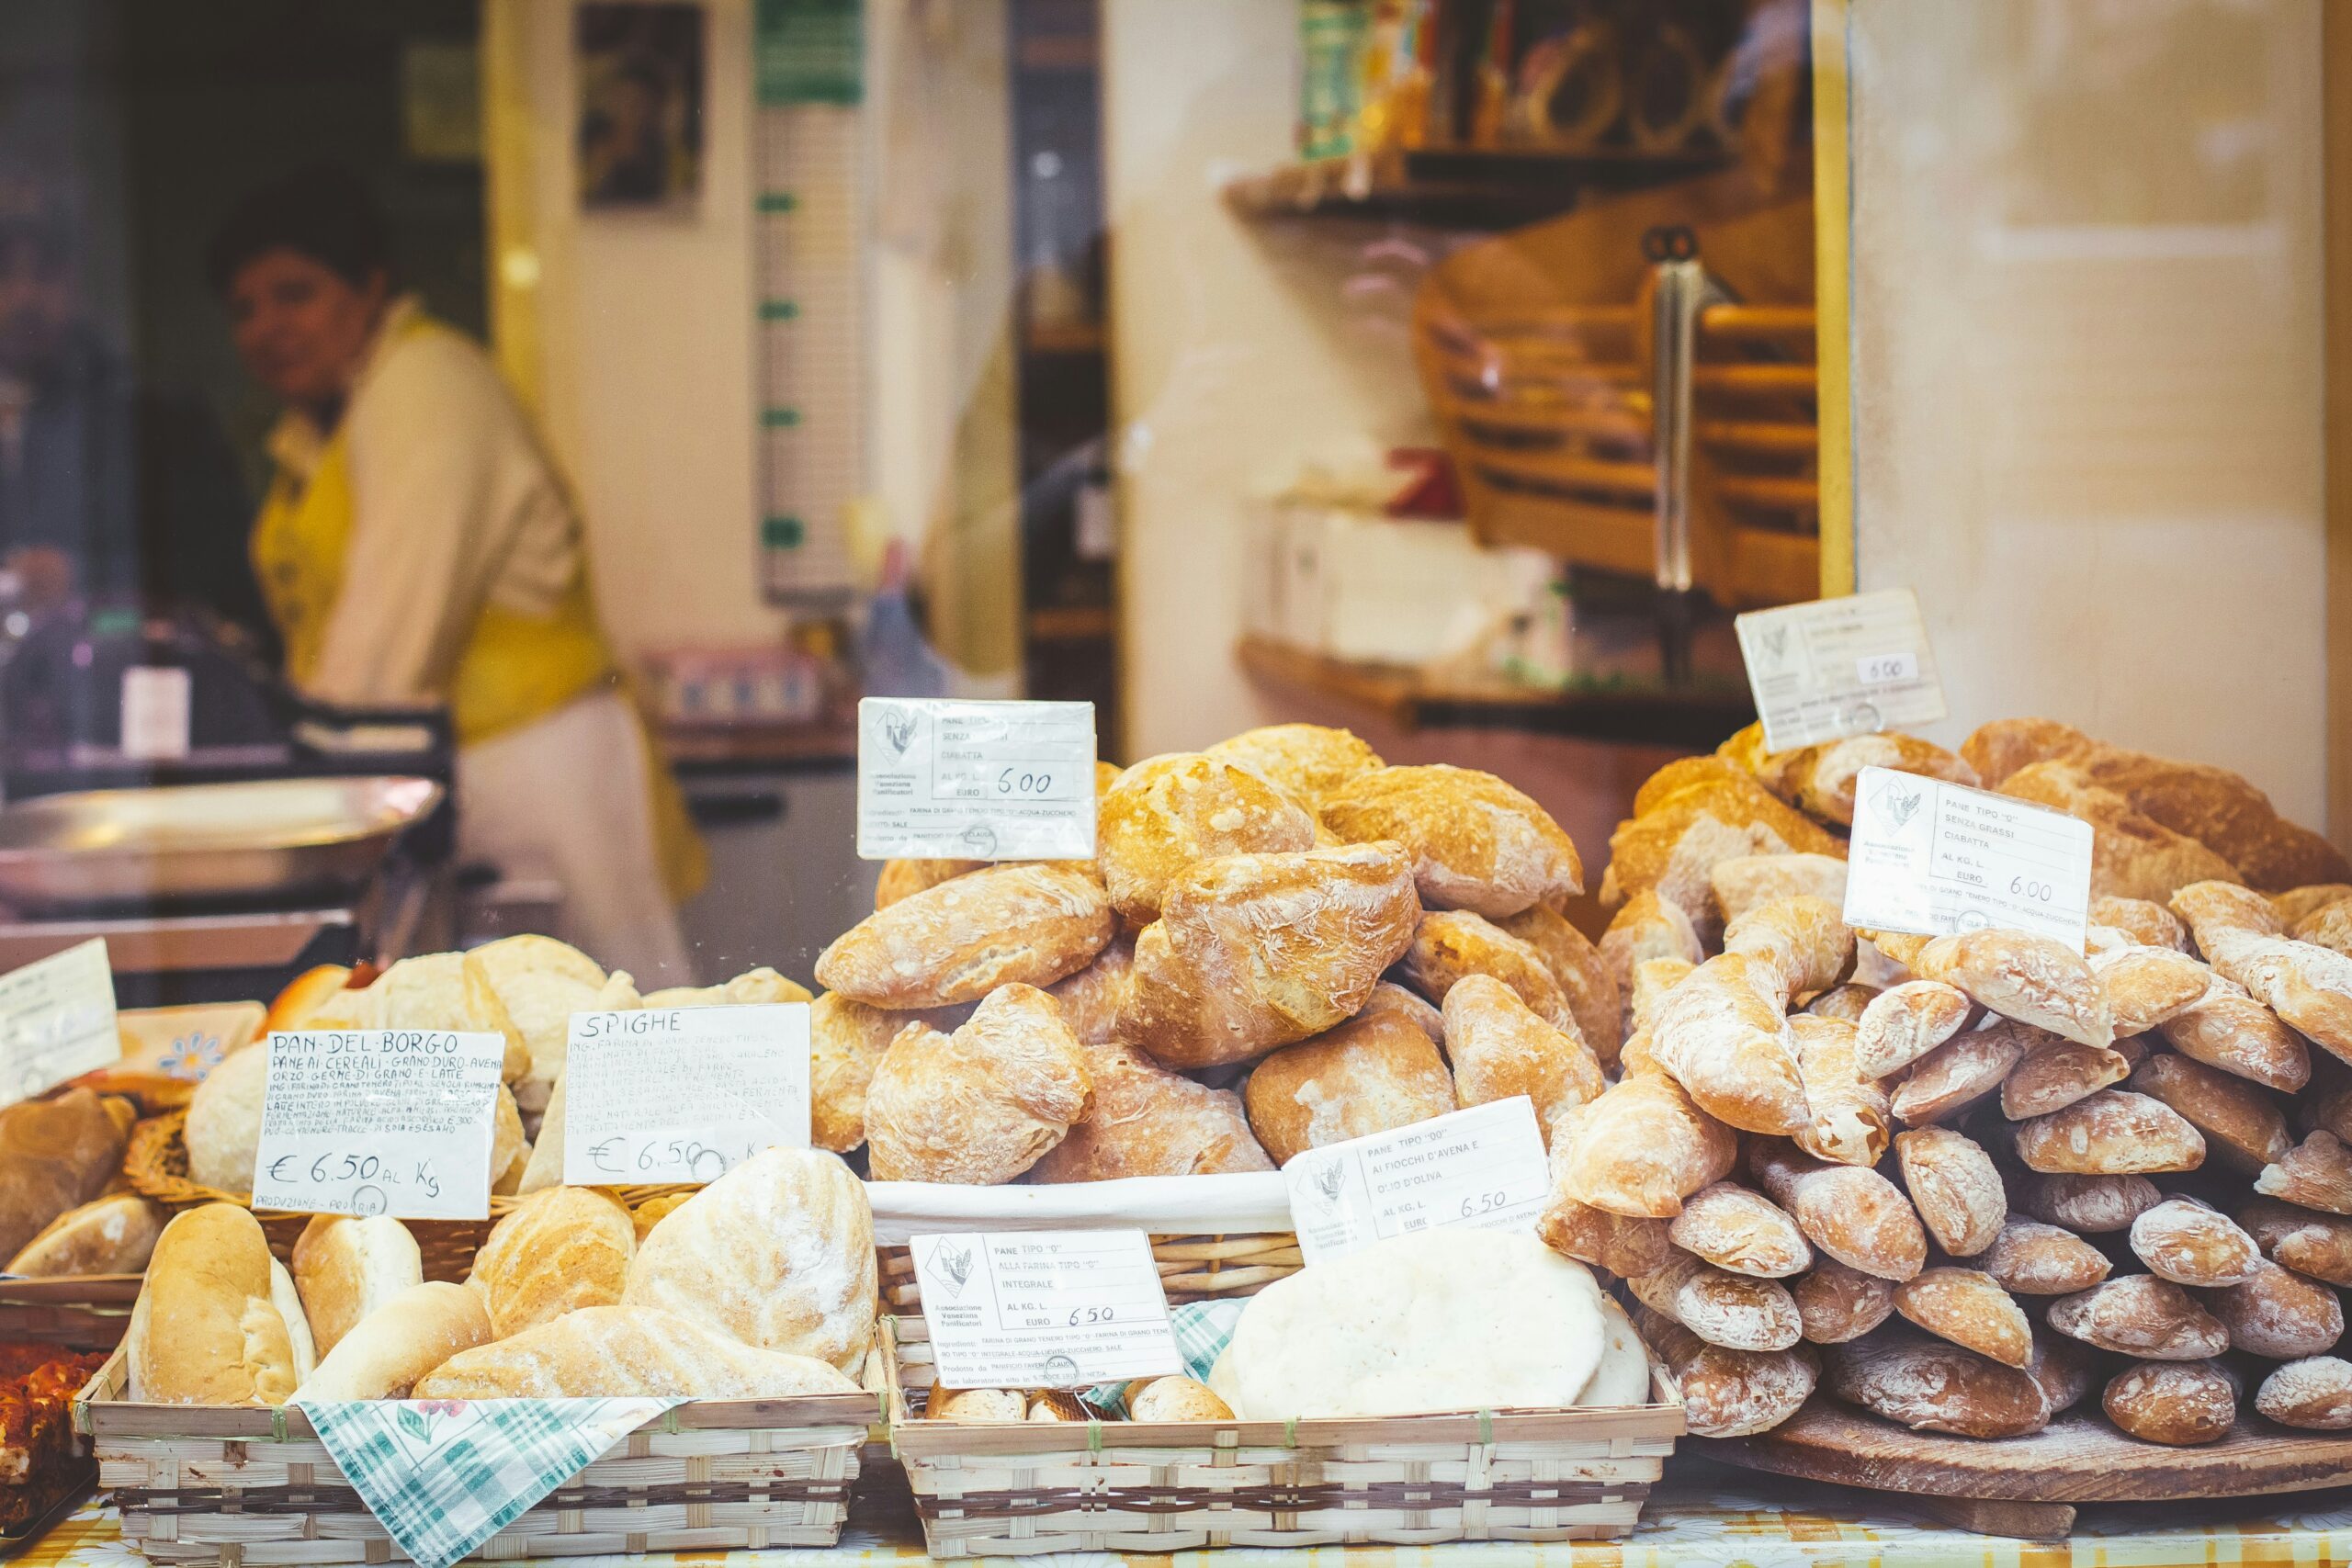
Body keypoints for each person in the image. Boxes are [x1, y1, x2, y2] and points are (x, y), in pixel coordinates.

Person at [206, 165, 705, 980]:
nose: (268, 327)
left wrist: (306, 800)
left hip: (540, 777)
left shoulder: (425, 388)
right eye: (244, 309)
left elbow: (387, 640)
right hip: (454, 776)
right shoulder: (326, 426)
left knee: (627, 1024)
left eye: (295, 293)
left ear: (369, 289)